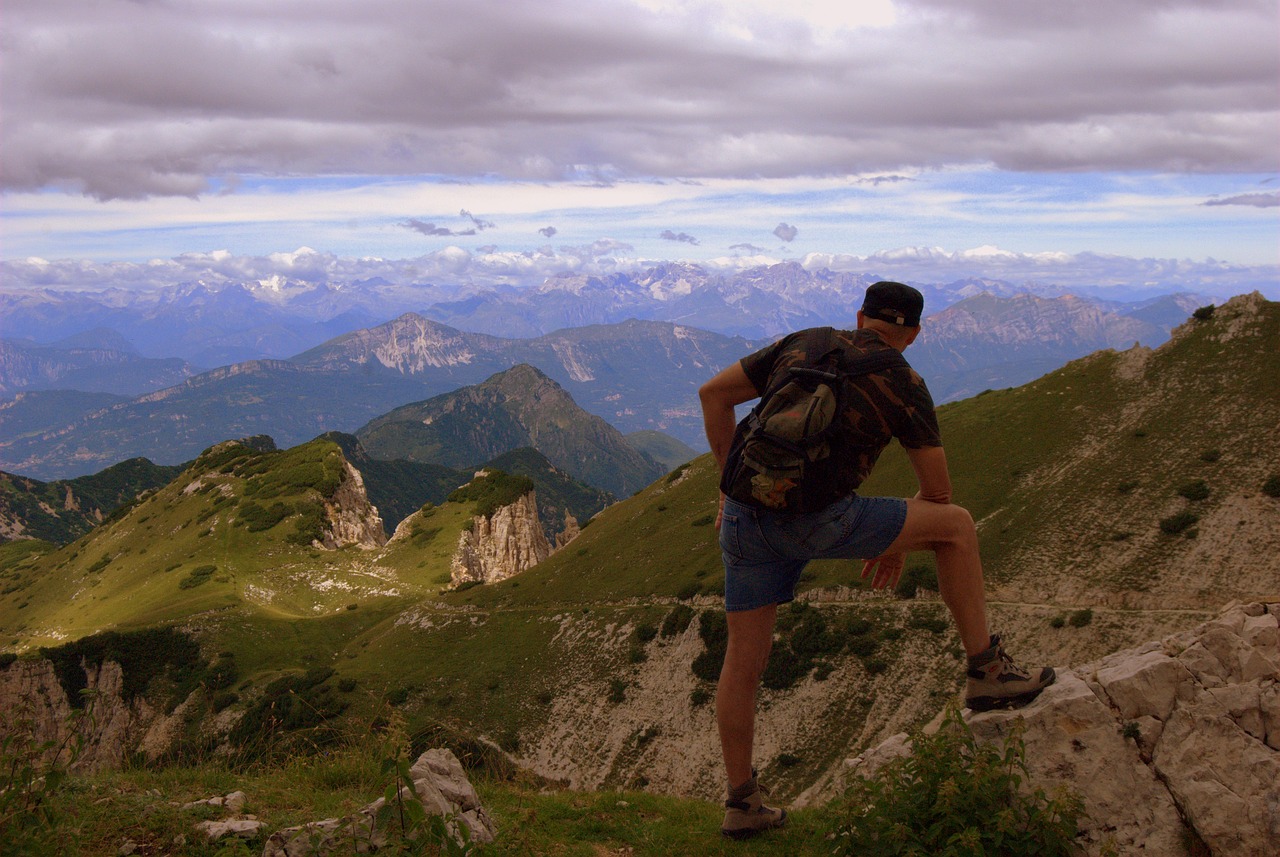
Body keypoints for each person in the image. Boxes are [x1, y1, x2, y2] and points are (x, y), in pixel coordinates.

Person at [697, 281, 1055, 840]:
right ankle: (985, 671)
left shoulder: (805, 342)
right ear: (913, 333)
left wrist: (725, 488)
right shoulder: (904, 383)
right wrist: (891, 542)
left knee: (743, 662)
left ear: (860, 316)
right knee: (958, 529)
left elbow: (712, 395)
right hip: (822, 520)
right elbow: (937, 495)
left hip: (745, 516)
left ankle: (742, 802)